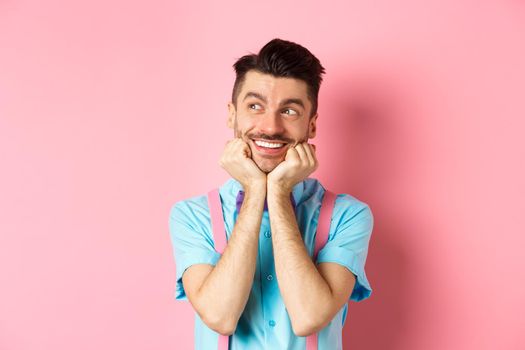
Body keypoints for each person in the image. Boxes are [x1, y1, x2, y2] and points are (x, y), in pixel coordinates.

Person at [169, 38, 374, 350]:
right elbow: (220, 316)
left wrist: (277, 193)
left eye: (289, 110)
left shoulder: (349, 215)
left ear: (312, 124)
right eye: (255, 106)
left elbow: (309, 317)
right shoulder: (191, 215)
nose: (271, 126)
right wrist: (255, 191)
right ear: (231, 115)